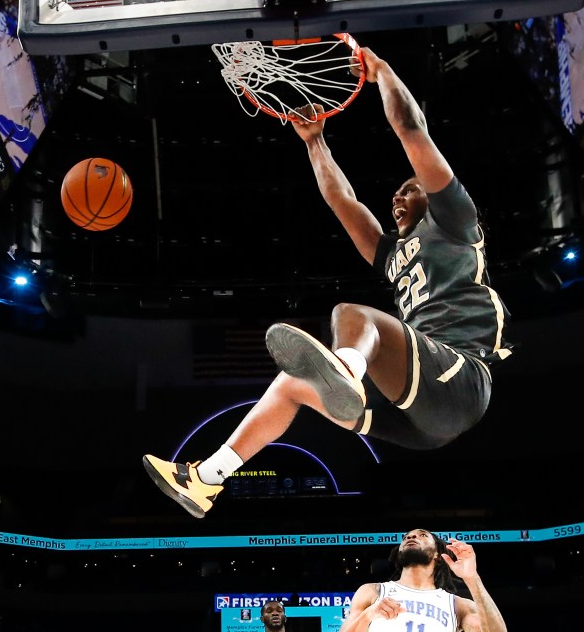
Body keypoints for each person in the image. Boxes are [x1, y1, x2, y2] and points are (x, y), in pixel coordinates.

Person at [143, 45, 513, 518]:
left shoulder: (457, 221)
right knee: (292, 382)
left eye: (408, 189)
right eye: (395, 195)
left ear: (433, 194)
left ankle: (347, 369)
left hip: (460, 377)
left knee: (351, 316)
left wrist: (382, 72)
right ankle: (207, 478)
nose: (397, 198)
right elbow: (342, 201)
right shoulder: (390, 255)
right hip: (422, 421)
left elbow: (410, 129)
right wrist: (315, 141)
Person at [341, 529, 507, 632]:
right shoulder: (372, 591)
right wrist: (368, 615)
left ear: (437, 554)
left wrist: (472, 578)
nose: (411, 536)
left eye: (422, 535)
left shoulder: (458, 605)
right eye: (407, 536)